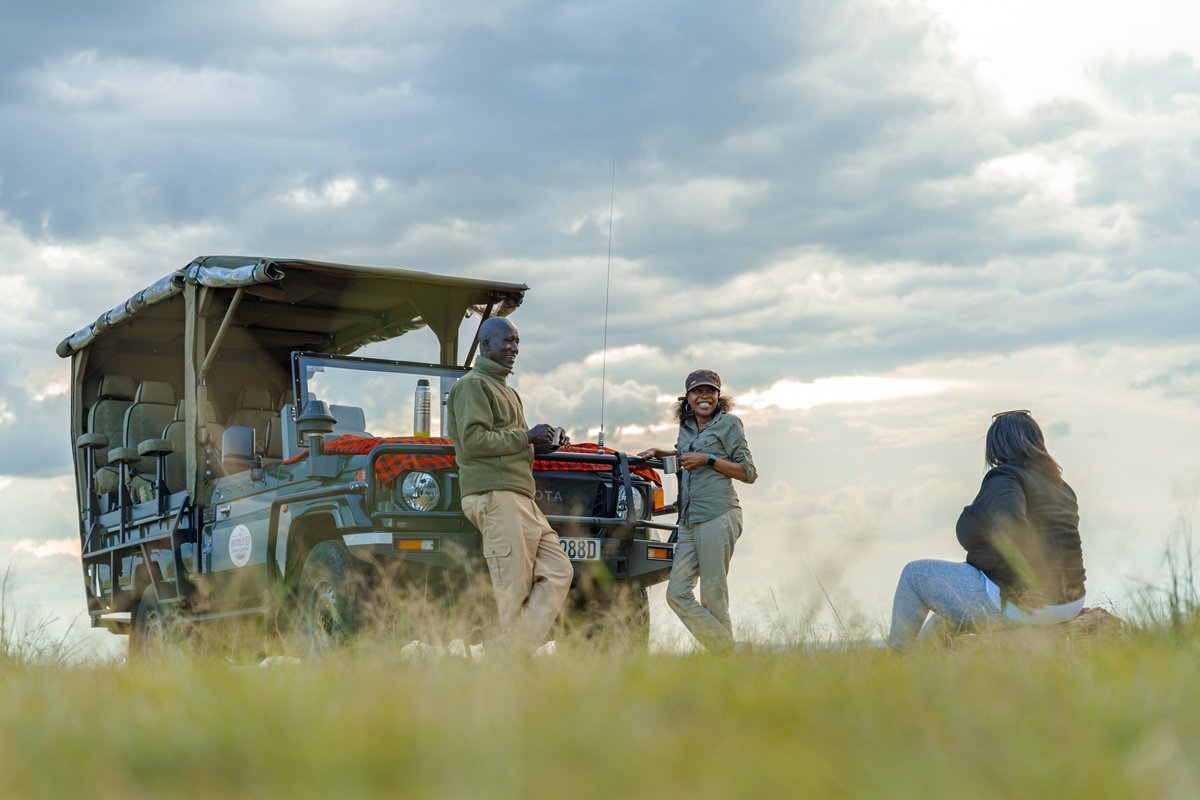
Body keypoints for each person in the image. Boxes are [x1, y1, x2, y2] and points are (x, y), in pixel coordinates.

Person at [887, 410, 1086, 652]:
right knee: (946, 610)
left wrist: (1022, 588)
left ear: (997, 445)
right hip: (1069, 602)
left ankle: (894, 659)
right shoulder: (1062, 487)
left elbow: (1013, 530)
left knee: (914, 574)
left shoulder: (1004, 477)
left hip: (1027, 602)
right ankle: (915, 667)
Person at [447, 317, 574, 654]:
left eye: (517, 341)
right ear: (485, 345)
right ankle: (506, 666)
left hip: (521, 497)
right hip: (494, 494)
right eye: (508, 341)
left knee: (559, 570)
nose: (515, 348)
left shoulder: (506, 389)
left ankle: (507, 652)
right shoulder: (472, 385)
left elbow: (511, 442)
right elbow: (473, 441)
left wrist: (542, 445)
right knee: (513, 587)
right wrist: (526, 436)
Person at [639, 370, 757, 653]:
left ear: (719, 396)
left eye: (710, 391)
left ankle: (726, 660)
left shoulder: (729, 424)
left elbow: (749, 473)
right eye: (697, 391)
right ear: (688, 397)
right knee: (677, 593)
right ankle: (730, 650)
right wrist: (661, 452)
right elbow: (685, 457)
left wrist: (709, 459)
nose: (704, 396)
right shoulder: (687, 426)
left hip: (719, 515)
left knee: (713, 596)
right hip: (689, 520)